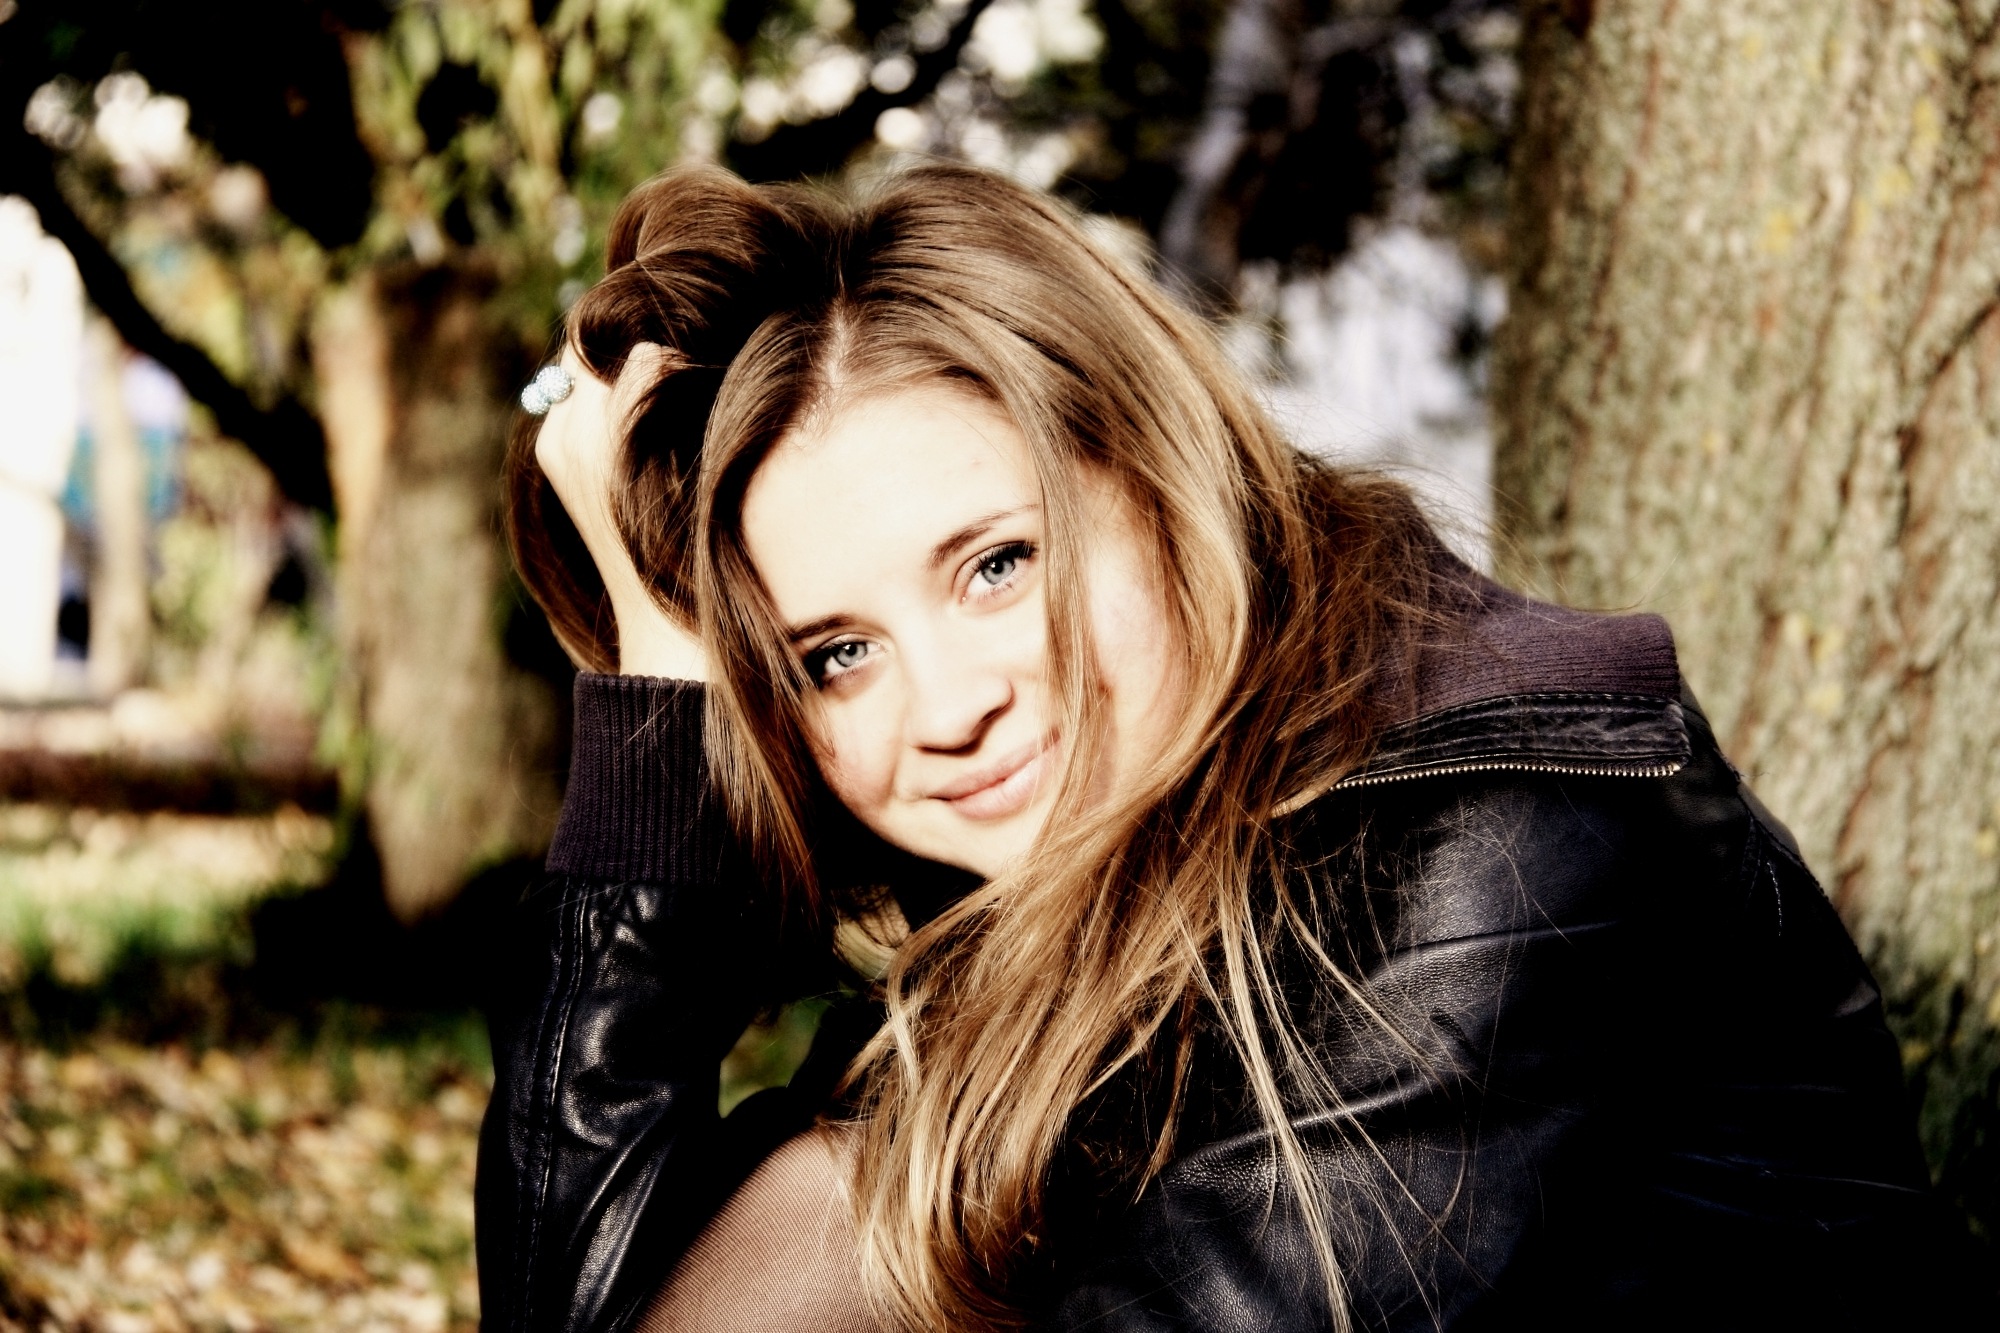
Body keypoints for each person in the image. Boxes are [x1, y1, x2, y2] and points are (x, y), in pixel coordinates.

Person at [477, 164, 1965, 1333]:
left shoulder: (1488, 849)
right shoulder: (1069, 901)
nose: (944, 709)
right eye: (835, 656)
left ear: (1152, 467)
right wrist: (658, 697)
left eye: (997, 564)